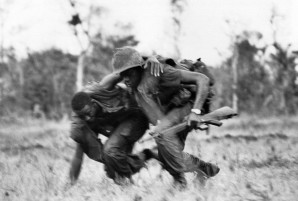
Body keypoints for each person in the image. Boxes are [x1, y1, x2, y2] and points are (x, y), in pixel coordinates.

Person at [111, 46, 220, 188]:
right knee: (165, 152)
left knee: (162, 135)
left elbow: (202, 80)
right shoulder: (136, 87)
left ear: (139, 68)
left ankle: (180, 183)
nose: (125, 79)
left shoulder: (159, 71)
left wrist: (196, 112)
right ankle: (204, 169)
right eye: (122, 75)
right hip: (173, 110)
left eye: (129, 73)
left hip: (189, 103)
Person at [69, 58, 162, 185]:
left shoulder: (103, 88)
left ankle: (129, 186)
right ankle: (147, 155)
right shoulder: (83, 123)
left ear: (93, 102)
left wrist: (148, 59)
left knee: (111, 152)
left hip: (136, 116)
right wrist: (70, 183)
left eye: (88, 113)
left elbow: (124, 69)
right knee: (112, 168)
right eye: (83, 117)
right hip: (119, 127)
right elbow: (78, 156)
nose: (88, 118)